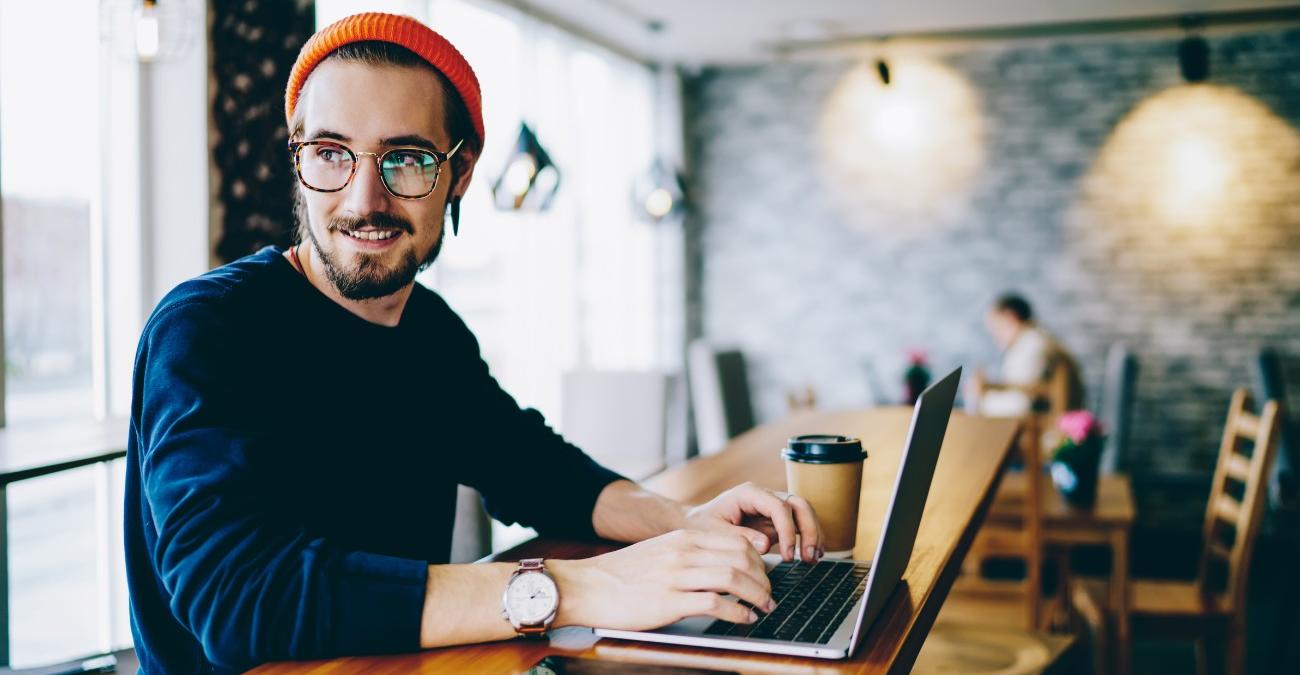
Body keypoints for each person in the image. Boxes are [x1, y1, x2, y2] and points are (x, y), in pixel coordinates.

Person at [124, 13, 822, 674]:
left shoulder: (431, 332)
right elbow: (238, 598)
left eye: (406, 159)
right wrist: (579, 588)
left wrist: (682, 522)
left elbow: (534, 468)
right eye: (331, 154)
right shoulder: (209, 328)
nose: (364, 199)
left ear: (458, 174)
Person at [967, 293, 1079, 417]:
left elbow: (1019, 406)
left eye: (995, 328)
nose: (994, 337)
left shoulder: (1031, 346)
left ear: (1010, 318)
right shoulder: (1041, 341)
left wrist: (982, 396)